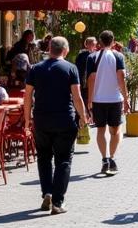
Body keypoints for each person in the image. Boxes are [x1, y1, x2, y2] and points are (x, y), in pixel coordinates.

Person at [24, 36, 89, 215]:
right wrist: (83, 117)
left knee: (44, 158)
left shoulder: (36, 69)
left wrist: (27, 118)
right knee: (64, 160)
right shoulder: (70, 68)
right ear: (65, 50)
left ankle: (47, 192)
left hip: (41, 120)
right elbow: (76, 97)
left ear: (49, 49)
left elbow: (28, 95)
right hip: (65, 121)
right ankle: (58, 202)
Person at [86, 30, 130, 175]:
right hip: (115, 99)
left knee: (100, 130)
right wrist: (126, 98)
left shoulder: (92, 57)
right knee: (116, 131)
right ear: (113, 41)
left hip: (98, 99)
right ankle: (112, 158)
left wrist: (90, 100)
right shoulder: (118, 56)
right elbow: (121, 77)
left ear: (100, 41)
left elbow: (91, 79)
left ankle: (104, 159)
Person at [74, 36, 98, 101]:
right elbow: (78, 68)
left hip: (91, 82)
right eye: (93, 44)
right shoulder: (83, 55)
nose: (94, 46)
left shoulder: (95, 54)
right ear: (87, 45)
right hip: (84, 82)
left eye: (94, 44)